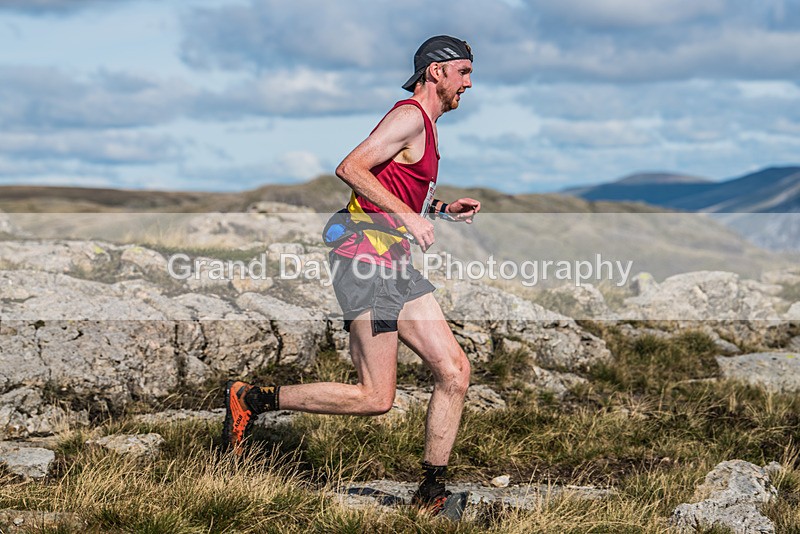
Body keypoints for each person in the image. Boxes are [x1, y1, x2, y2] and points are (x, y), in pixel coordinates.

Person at [222, 35, 481, 515]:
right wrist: (409, 218)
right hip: (367, 260)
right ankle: (252, 399)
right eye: (463, 71)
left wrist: (440, 208)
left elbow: (392, 184)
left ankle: (431, 494)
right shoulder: (408, 116)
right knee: (375, 396)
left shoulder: (426, 126)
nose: (469, 82)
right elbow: (351, 167)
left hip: (393, 263)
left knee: (454, 371)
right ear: (436, 72)